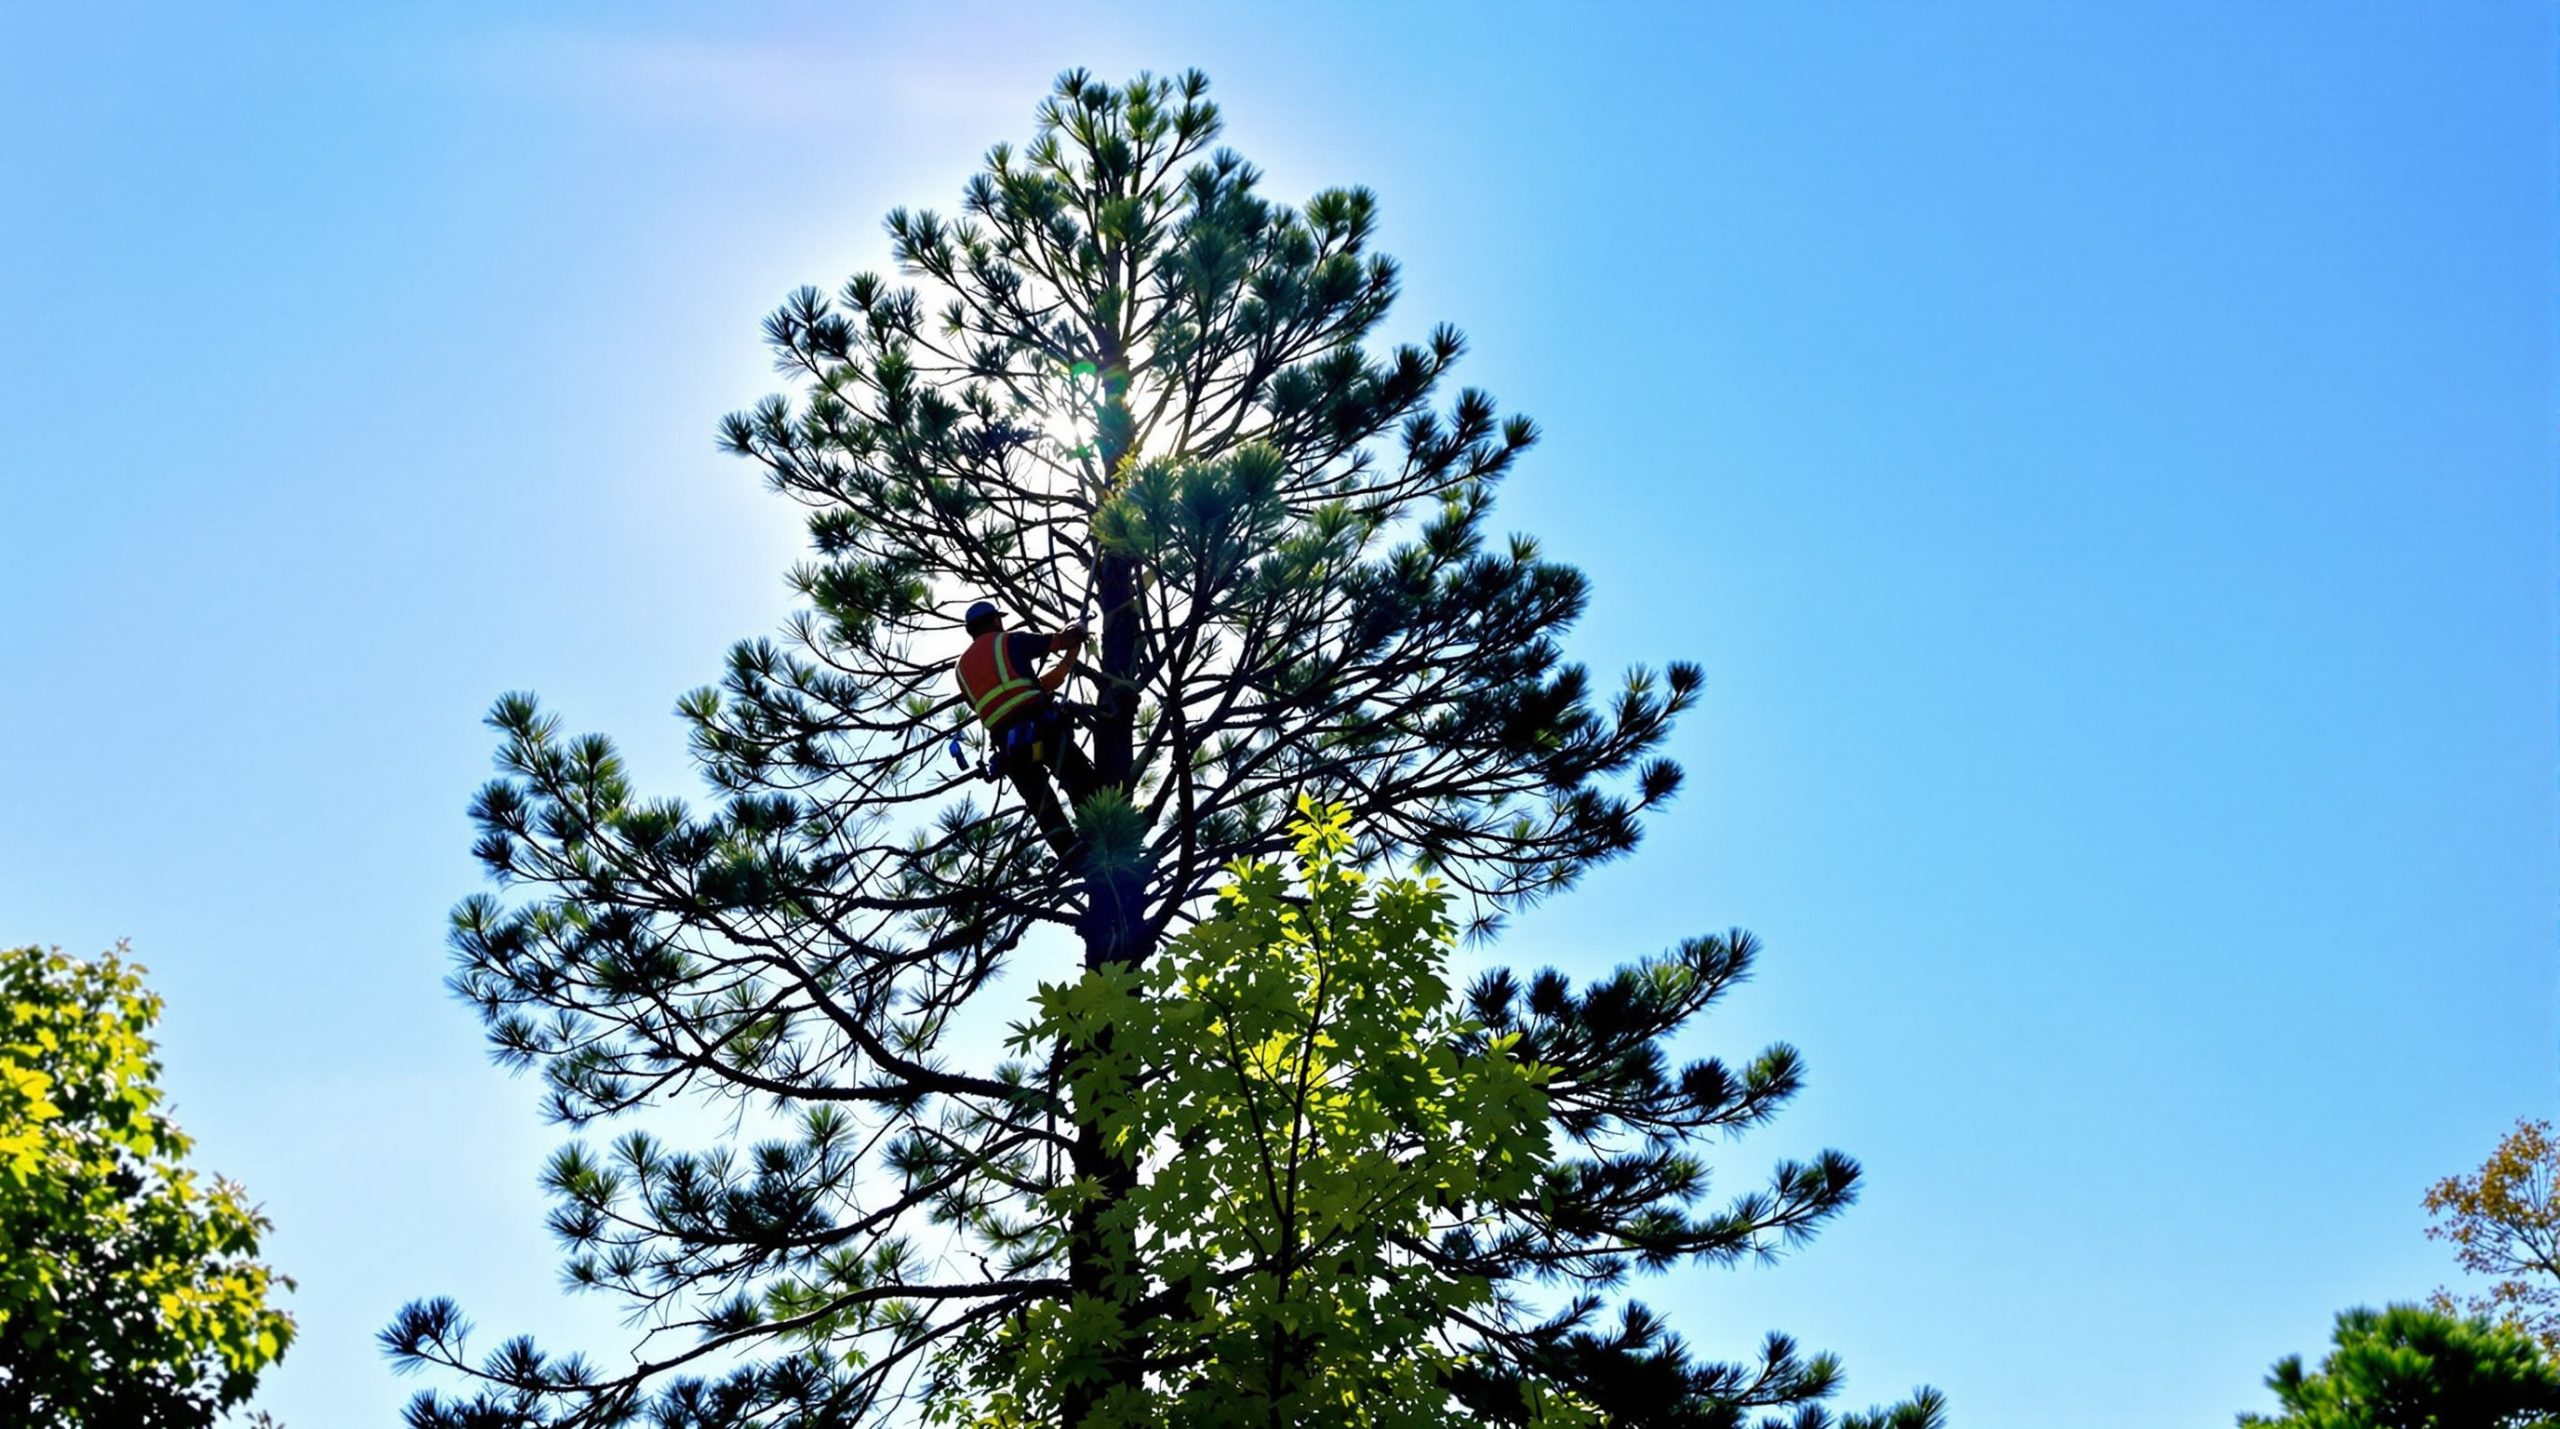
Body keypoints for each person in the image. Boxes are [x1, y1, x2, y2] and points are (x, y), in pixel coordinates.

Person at [954, 599, 1097, 858]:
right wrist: (1079, 629)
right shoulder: (1007, 641)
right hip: (1039, 725)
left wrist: (1067, 663)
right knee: (1077, 776)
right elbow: (1058, 641)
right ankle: (1102, 826)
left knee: (1040, 801)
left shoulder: (961, 670)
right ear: (996, 620)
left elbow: (1013, 692)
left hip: (1009, 746)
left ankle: (1069, 853)